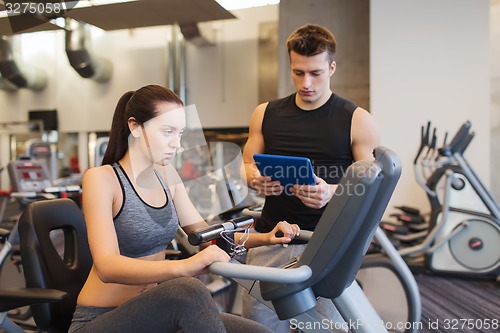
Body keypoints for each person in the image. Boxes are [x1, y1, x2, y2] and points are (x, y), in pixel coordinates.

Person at [68, 84, 301, 333]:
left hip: (157, 315)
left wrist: (266, 238)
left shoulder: (167, 175)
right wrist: (185, 267)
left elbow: (207, 236)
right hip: (102, 320)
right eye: (167, 132)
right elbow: (107, 266)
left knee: (258, 332)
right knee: (186, 289)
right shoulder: (102, 179)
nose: (176, 144)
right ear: (135, 127)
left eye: (179, 133)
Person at [241, 24, 380, 332]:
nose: (306, 82)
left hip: (326, 244)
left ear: (331, 67)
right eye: (298, 72)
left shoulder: (356, 119)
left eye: (315, 73)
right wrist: (254, 178)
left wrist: (333, 191)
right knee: (257, 325)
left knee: (327, 327)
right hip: (271, 238)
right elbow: (248, 162)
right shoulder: (265, 113)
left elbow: (372, 187)